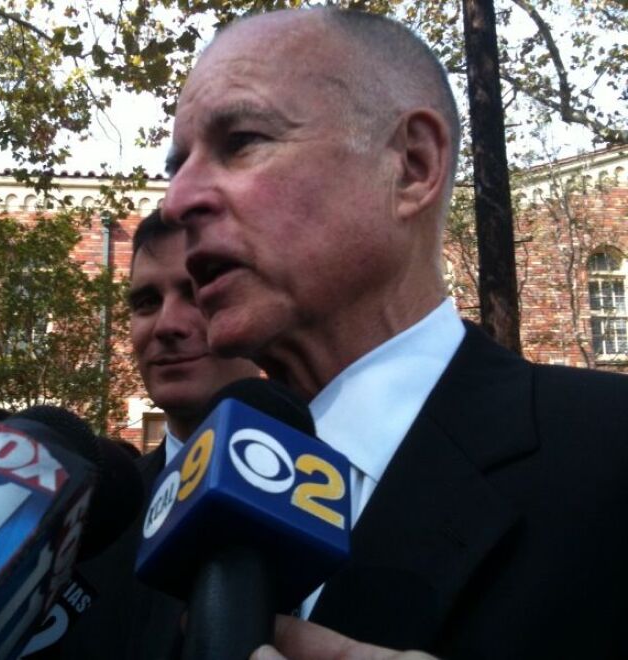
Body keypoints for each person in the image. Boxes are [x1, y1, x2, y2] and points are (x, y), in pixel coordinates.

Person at [162, 7, 628, 659]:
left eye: (241, 140)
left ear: (411, 164)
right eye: (176, 166)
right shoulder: (155, 532)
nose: (177, 202)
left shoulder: (610, 456)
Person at [45, 209, 259, 659]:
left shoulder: (337, 494)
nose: (167, 325)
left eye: (199, 292)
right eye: (146, 302)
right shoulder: (88, 524)